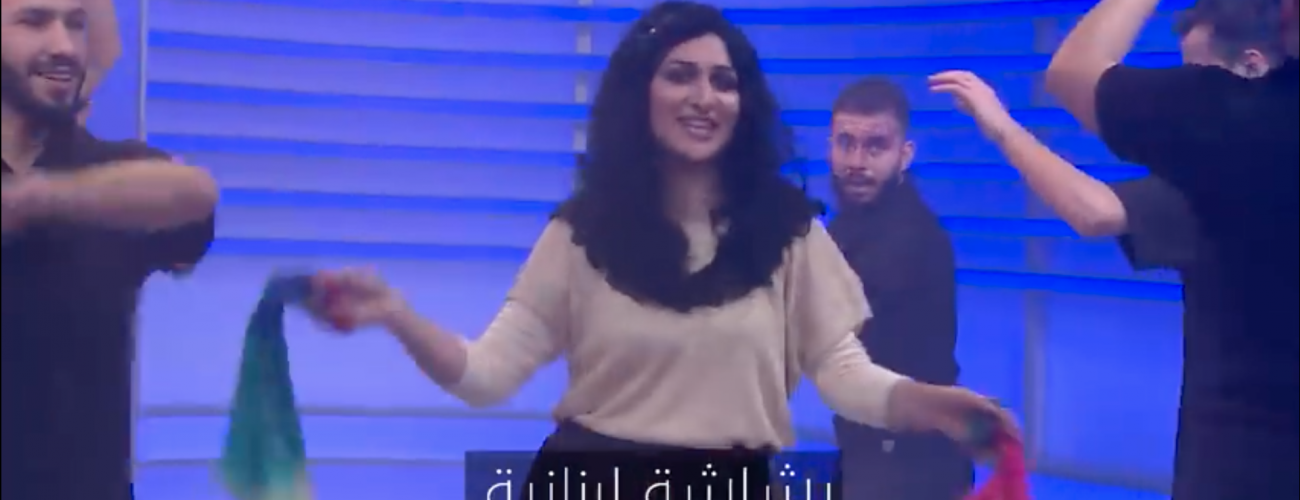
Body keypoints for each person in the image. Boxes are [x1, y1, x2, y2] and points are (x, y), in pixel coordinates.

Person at [304, 1, 1010, 497]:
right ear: (640, 93)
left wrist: (931, 405)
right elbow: (486, 376)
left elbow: (844, 374)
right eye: (681, 74)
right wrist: (396, 315)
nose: (705, 95)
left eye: (723, 81)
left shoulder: (789, 231)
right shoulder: (580, 232)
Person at [993, 0, 1293, 498]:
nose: (1182, 92)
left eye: (1197, 77)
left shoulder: (1242, 145)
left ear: (1252, 67)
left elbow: (1093, 207)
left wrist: (1001, 128)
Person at [1, 0, 219, 499]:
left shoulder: (113, 176)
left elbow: (196, 194)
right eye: (34, 21)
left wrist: (33, 199)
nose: (63, 46)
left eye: (76, 25)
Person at [824, 78, 973, 500]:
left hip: (913, 464)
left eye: (875, 146)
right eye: (846, 143)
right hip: (873, 449)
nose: (857, 161)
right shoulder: (848, 225)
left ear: (904, 155)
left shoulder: (909, 238)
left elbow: (814, 328)